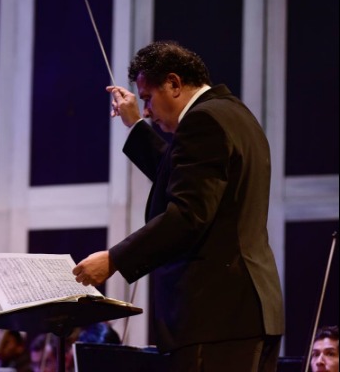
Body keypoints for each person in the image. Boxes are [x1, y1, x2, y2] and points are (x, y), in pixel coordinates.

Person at [72, 40, 284, 371]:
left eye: (147, 98)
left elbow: (188, 214)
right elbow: (183, 177)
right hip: (248, 312)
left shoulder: (202, 122)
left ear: (173, 83)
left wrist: (115, 259)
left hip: (215, 316)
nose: (146, 110)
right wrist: (136, 126)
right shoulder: (233, 114)